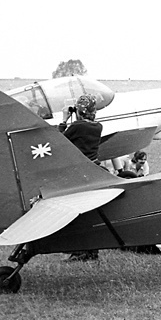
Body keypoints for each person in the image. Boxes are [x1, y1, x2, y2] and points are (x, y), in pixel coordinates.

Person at [58, 95, 103, 261]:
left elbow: (58, 141)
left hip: (78, 174)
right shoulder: (98, 126)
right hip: (93, 171)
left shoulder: (77, 126)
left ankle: (80, 250)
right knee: (89, 211)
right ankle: (92, 251)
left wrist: (64, 120)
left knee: (76, 212)